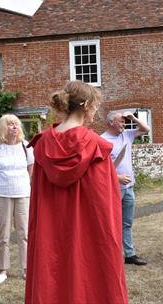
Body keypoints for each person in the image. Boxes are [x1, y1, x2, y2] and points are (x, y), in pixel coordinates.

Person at [25, 80, 128, 304]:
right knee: (91, 278)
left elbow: (39, 199)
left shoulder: (43, 144)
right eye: (96, 106)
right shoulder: (95, 146)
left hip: (50, 232)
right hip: (89, 234)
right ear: (87, 105)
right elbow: (104, 205)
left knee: (53, 275)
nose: (96, 112)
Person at [0, 114, 34, 285]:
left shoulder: (26, 146)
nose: (14, 126)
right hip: (1, 194)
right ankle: (3, 270)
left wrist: (24, 185)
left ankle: (27, 269)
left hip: (22, 193)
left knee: (24, 233)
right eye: (10, 124)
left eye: (16, 124)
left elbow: (30, 170)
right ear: (2, 127)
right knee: (3, 234)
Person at [101, 110, 150, 265]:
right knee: (110, 223)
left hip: (129, 188)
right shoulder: (102, 140)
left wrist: (133, 117)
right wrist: (117, 177)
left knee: (126, 223)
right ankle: (110, 255)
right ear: (110, 123)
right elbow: (99, 169)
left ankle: (129, 254)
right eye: (121, 121)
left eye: (124, 121)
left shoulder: (127, 135)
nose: (124, 123)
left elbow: (146, 129)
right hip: (112, 189)